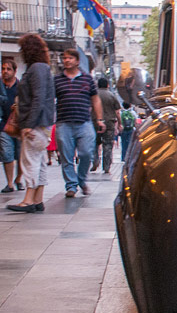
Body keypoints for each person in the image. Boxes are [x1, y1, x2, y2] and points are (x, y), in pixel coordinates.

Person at [7, 34, 55, 213]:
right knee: (39, 160)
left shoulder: (37, 69)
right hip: (42, 122)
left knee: (30, 161)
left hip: (36, 123)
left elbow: (38, 98)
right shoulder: (42, 68)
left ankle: (28, 200)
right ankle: (38, 199)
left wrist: (29, 123)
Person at [55, 48, 105, 197]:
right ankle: (71, 186)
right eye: (64, 58)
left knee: (86, 153)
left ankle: (82, 180)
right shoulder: (57, 80)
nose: (67, 60)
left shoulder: (87, 79)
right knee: (66, 157)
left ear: (77, 61)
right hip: (64, 123)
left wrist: (100, 119)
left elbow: (95, 99)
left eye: (70, 58)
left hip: (84, 122)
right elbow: (50, 99)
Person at [0, 58, 23, 193]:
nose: (5, 72)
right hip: (4, 125)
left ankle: (18, 179)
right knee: (7, 153)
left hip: (19, 125)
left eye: (8, 69)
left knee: (20, 155)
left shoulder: (20, 87)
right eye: (3, 69)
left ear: (15, 71)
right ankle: (9, 184)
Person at [94, 76, 121, 174]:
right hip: (109, 123)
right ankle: (106, 167)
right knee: (108, 145)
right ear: (107, 85)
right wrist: (119, 124)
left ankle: (95, 161)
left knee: (94, 144)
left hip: (95, 122)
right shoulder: (112, 95)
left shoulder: (94, 95)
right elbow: (117, 112)